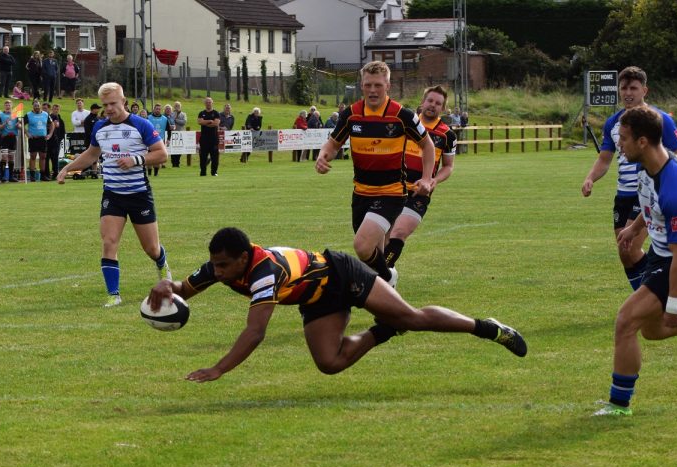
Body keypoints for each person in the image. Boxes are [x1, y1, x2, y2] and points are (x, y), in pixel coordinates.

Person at [146, 227, 526, 382]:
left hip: (343, 274)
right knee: (330, 364)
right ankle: (383, 330)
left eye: (224, 265)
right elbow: (186, 287)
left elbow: (255, 332)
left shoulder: (265, 272)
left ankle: (488, 327)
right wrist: (168, 287)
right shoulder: (223, 267)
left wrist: (218, 369)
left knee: (411, 316)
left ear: (244, 258)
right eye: (215, 264)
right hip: (318, 298)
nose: (218, 271)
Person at [594, 106, 677, 416]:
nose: (620, 147)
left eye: (624, 139)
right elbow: (650, 205)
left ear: (642, 141)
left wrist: (673, 306)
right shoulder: (648, 165)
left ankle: (618, 405)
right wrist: (634, 227)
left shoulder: (674, 188)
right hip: (662, 255)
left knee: (626, 321)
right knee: (652, 330)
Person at [315, 61, 436, 287]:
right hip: (361, 193)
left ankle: (388, 276)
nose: (372, 90)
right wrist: (323, 156)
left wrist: (427, 179)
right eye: (368, 85)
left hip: (391, 193)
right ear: (361, 85)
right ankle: (385, 299)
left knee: (362, 246)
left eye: (378, 85)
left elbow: (427, 145)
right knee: (372, 255)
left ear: (388, 86)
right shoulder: (351, 115)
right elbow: (332, 144)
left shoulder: (402, 115)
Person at [56, 82, 171, 307]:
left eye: (113, 103)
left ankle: (162, 264)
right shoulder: (100, 127)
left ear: (124, 101)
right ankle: (114, 295)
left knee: (151, 248)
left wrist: (136, 160)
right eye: (105, 104)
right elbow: (91, 154)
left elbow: (162, 154)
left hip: (139, 194)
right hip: (113, 195)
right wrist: (67, 168)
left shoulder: (142, 125)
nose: (109, 108)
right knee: (109, 242)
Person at [581, 66, 677, 291]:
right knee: (625, 253)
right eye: (624, 88)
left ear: (644, 90)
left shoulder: (659, 120)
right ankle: (651, 298)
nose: (628, 93)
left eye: (633, 88)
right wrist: (591, 178)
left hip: (647, 194)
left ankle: (652, 300)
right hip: (623, 194)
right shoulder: (613, 123)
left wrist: (661, 181)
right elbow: (604, 159)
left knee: (630, 248)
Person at [383, 85, 458, 270]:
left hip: (419, 193)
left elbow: (448, 167)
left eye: (438, 103)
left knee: (399, 232)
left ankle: (380, 275)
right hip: (392, 188)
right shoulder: (404, 125)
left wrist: (434, 180)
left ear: (443, 108)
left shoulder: (447, 135)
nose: (433, 105)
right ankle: (385, 275)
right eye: (430, 101)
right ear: (422, 102)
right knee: (383, 235)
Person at [23, 99, 51, 182]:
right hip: (33, 139)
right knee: (33, 156)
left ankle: (43, 175)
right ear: (33, 106)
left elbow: (52, 124)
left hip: (43, 138)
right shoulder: (28, 115)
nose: (37, 107)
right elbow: (21, 123)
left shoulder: (45, 114)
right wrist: (27, 133)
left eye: (38, 105)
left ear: (40, 106)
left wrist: (50, 134)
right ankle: (32, 176)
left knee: (43, 156)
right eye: (35, 106)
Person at [0, 99, 19, 182]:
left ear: (11, 106)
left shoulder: (15, 114)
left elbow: (19, 125)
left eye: (9, 105)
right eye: (6, 105)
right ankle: (2, 177)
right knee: (4, 157)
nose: (8, 106)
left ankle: (11, 177)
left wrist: (18, 125)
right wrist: (5, 123)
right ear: (4, 106)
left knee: (11, 157)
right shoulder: (0, 115)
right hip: (4, 138)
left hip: (13, 138)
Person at [197, 97, 221, 177]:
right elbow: (200, 122)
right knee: (203, 157)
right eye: (207, 102)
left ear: (212, 103)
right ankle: (203, 172)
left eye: (209, 102)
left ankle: (214, 172)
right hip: (204, 139)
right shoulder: (201, 113)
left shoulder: (216, 113)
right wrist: (210, 121)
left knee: (215, 157)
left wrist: (205, 122)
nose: (208, 103)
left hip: (214, 139)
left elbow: (216, 124)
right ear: (205, 103)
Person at [146, 103, 170, 177]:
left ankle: (156, 174)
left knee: (157, 158)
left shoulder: (165, 119)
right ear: (154, 109)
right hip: (149, 141)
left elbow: (169, 130)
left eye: (159, 109)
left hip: (160, 141)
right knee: (149, 158)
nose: (158, 110)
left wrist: (168, 139)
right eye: (156, 109)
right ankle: (149, 174)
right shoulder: (148, 118)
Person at [44, 103, 65, 181]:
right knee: (46, 158)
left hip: (55, 142)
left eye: (57, 109)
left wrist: (58, 140)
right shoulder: (46, 117)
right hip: (47, 141)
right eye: (54, 109)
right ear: (51, 109)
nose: (56, 110)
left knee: (55, 158)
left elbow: (62, 131)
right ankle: (47, 174)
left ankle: (56, 174)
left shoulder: (60, 119)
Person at [170, 101, 187, 167]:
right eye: (176, 106)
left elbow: (184, 122)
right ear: (174, 106)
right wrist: (175, 118)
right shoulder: (172, 113)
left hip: (180, 133)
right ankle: (173, 163)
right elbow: (171, 120)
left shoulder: (183, 114)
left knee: (179, 149)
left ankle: (177, 163)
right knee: (173, 149)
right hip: (173, 133)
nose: (177, 107)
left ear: (180, 107)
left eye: (178, 106)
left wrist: (176, 120)